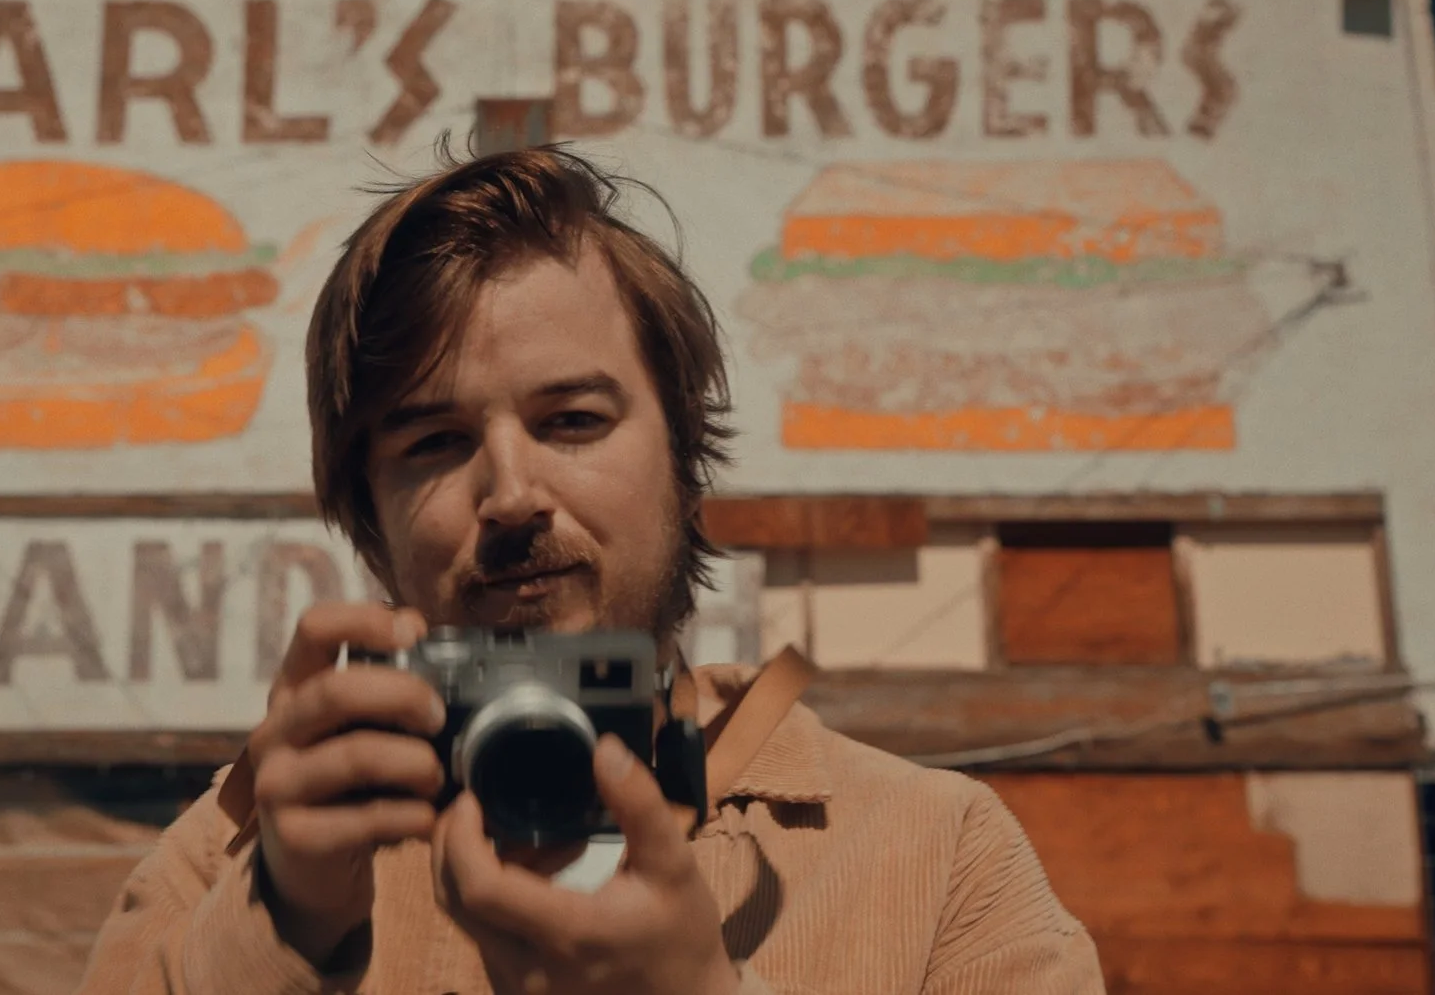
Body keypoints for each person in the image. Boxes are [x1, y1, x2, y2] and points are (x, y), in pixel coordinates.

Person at [74, 147, 1104, 994]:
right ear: (371, 519)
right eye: (432, 440)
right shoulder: (242, 849)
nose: (511, 490)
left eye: (573, 419)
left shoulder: (933, 852)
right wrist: (280, 927)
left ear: (683, 460)